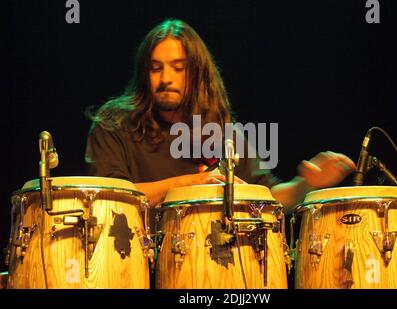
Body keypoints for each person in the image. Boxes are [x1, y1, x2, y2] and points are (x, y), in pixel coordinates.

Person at [85, 18, 355, 214]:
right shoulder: (115, 123)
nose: (166, 78)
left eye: (178, 68)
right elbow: (112, 197)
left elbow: (265, 195)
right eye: (156, 68)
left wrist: (305, 185)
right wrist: (192, 184)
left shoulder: (222, 131)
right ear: (145, 73)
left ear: (198, 73)